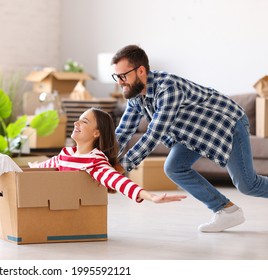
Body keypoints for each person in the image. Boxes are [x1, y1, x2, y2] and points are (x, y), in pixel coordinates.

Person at [111, 44, 268, 233]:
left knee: (247, 185)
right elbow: (123, 131)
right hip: (195, 133)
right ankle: (227, 211)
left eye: (123, 76)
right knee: (174, 167)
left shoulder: (168, 87)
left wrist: (122, 166)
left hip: (227, 124)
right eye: (117, 76)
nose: (119, 82)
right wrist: (104, 158)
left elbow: (155, 133)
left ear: (141, 71)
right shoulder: (135, 96)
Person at [0, 107, 186, 209]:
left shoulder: (95, 160)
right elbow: (44, 168)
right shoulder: (68, 154)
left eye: (84, 122)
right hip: (34, 184)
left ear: (97, 133)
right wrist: (32, 167)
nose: (76, 124)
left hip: (39, 194)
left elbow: (116, 180)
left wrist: (149, 196)